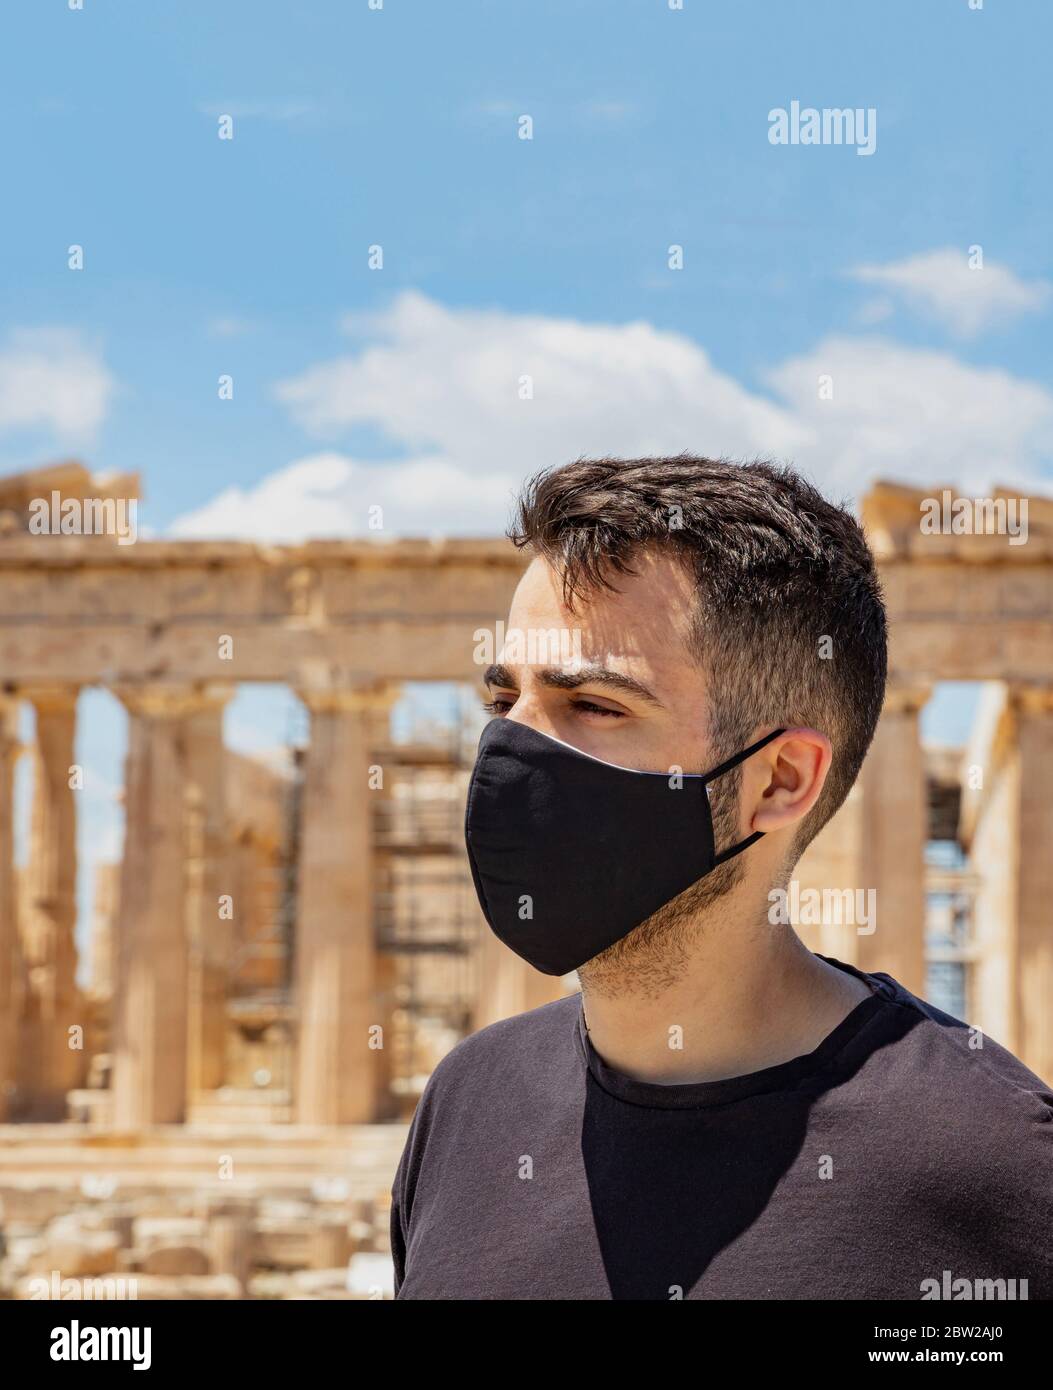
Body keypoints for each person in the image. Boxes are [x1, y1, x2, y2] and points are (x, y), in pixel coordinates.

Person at [390, 455, 1052, 1301]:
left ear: (779, 780)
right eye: (504, 702)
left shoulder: (1001, 1172)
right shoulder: (468, 1102)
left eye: (592, 705)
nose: (510, 755)